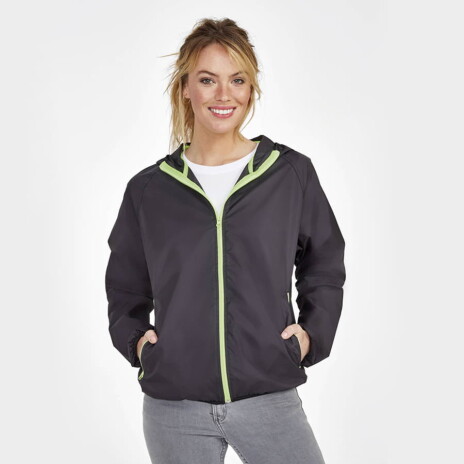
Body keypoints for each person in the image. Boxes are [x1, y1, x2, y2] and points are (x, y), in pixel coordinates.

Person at [105, 17, 346, 464]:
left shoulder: (288, 174)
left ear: (251, 89)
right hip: (174, 408)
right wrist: (139, 343)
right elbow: (124, 287)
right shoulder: (149, 190)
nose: (223, 94)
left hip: (268, 397)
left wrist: (311, 337)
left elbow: (325, 263)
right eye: (207, 80)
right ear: (185, 88)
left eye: (237, 80)